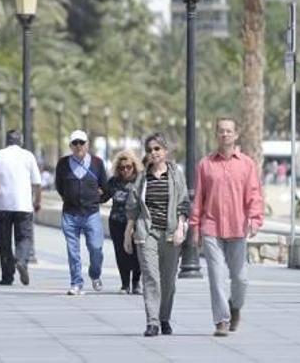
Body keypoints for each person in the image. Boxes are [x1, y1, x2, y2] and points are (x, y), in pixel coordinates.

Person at [190, 118, 263, 337]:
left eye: (229, 131)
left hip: (238, 227)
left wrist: (255, 219)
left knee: (241, 278)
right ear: (216, 135)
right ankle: (221, 320)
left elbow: (254, 194)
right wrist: (195, 227)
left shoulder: (247, 164)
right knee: (216, 276)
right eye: (221, 131)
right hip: (211, 227)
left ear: (236, 135)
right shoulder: (205, 164)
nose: (225, 135)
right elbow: (199, 198)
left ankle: (235, 306)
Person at [124, 134, 189, 337]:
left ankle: (164, 318)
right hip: (147, 233)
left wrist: (180, 228)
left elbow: (184, 202)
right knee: (151, 277)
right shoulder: (143, 178)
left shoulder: (176, 174)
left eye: (157, 149)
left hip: (171, 233)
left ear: (165, 151)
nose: (153, 153)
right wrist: (128, 233)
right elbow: (133, 207)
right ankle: (152, 322)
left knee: (168, 281)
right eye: (150, 150)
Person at [54, 129, 108, 295]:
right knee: (73, 251)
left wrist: (94, 199)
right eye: (75, 143)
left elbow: (105, 187)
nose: (78, 146)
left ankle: (95, 274)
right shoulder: (62, 164)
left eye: (81, 143)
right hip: (70, 214)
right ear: (70, 145)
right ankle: (76, 282)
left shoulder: (97, 163)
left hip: (91, 213)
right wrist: (70, 197)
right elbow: (59, 186)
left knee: (96, 248)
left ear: (87, 145)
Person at [0, 130, 42, 286]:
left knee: (4, 241)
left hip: (2, 204)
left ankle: (7, 277)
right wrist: (37, 201)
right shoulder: (28, 156)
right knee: (24, 238)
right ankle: (21, 261)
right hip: (23, 205)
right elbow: (37, 183)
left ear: (7, 140)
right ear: (21, 141)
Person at [106, 150, 142, 294]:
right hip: (117, 221)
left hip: (136, 222)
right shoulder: (114, 181)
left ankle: (136, 283)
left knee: (137, 253)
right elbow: (103, 196)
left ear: (134, 166)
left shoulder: (140, 181)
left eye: (128, 167)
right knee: (121, 253)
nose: (125, 170)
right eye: (121, 168)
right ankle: (125, 284)